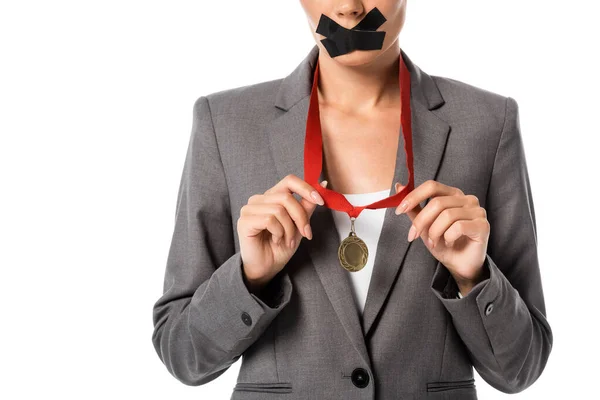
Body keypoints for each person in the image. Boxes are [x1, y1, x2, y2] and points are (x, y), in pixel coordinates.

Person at [151, 1, 553, 399]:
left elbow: (520, 368)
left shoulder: (488, 123)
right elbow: (183, 355)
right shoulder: (224, 123)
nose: (349, 9)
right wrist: (249, 278)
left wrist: (473, 279)